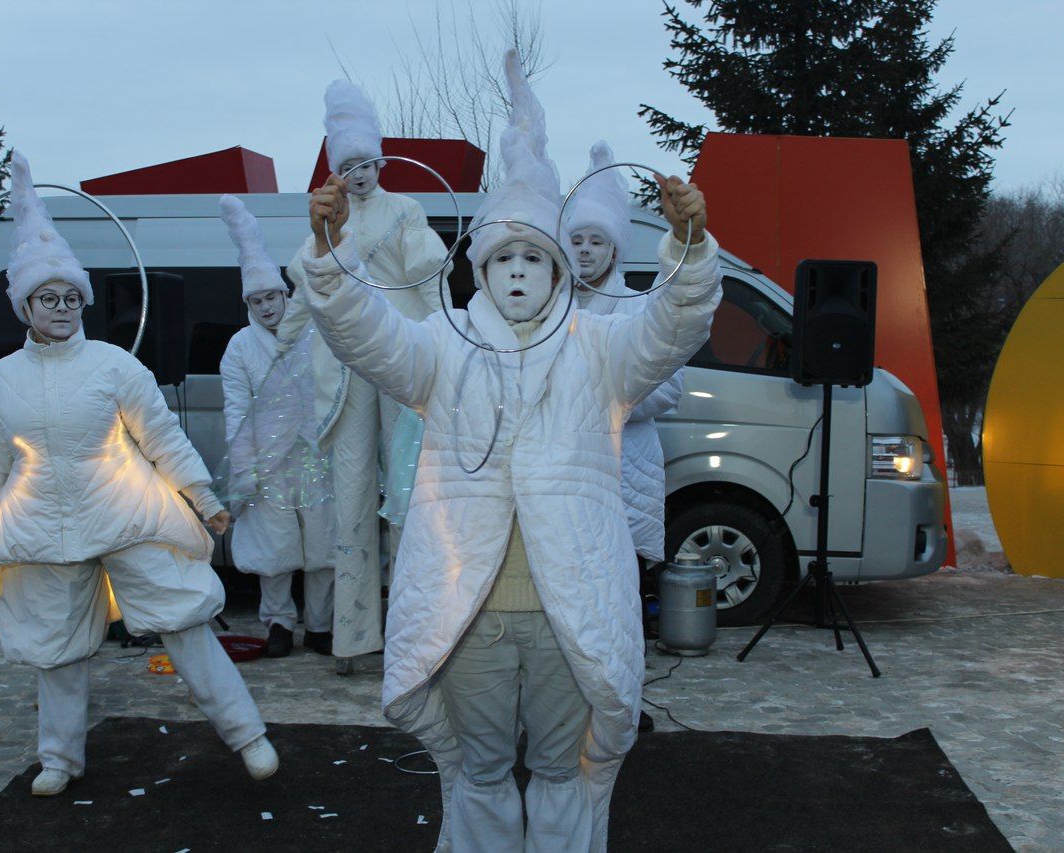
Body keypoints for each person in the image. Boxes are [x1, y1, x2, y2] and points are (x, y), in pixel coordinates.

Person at [298, 51, 722, 852]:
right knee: (482, 774)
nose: (520, 272)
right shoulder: (442, 347)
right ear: (482, 268)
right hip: (473, 618)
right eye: (505, 258)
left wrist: (691, 249)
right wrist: (328, 261)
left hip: (573, 616)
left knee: (563, 773)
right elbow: (365, 335)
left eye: (535, 257)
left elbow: (674, 326)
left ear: (558, 267)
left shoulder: (601, 350)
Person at [0, 152, 277, 797]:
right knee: (57, 649)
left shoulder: (114, 366)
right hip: (41, 523)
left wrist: (202, 498)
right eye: (49, 297)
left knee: (182, 622)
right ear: (26, 306)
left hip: (126, 512)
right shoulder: (0, 383)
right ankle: (59, 760)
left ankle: (248, 735)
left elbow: (162, 438)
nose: (62, 307)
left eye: (72, 297)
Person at [277, 79, 451, 675]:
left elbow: (429, 280)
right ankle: (353, 639)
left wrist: (443, 336)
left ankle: (411, 630)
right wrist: (282, 344)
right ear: (335, 168)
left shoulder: (405, 210)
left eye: (366, 161)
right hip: (347, 373)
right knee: (351, 502)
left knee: (405, 498)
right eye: (346, 164)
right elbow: (308, 290)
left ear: (380, 158)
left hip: (398, 364)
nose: (358, 173)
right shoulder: (328, 222)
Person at [217, 194, 335, 658]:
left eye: (272, 297)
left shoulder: (316, 332)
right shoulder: (240, 348)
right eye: (257, 300)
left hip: (317, 455)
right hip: (270, 463)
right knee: (275, 550)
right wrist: (244, 468)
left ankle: (322, 626)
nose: (266, 306)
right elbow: (236, 410)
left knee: (325, 544)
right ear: (248, 302)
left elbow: (335, 390)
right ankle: (279, 625)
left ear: (285, 295)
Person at [564, 141, 685, 569]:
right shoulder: (548, 311)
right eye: (576, 240)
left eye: (596, 241)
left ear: (614, 251)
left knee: (619, 578)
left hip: (625, 465)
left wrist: (602, 404)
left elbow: (668, 388)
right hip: (563, 466)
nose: (584, 250)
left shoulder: (637, 306)